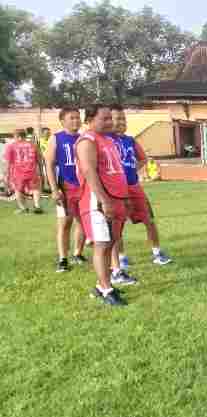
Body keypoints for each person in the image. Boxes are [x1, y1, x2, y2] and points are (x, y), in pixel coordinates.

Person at [75, 104, 129, 306]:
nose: (110, 122)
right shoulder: (87, 141)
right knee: (102, 245)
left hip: (115, 198)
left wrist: (124, 198)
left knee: (110, 243)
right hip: (96, 201)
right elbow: (89, 172)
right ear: (90, 120)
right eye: (104, 119)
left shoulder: (107, 140)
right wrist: (104, 200)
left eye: (110, 118)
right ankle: (106, 290)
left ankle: (101, 285)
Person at [110, 105, 173, 274]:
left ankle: (157, 252)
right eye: (117, 118)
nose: (121, 122)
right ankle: (121, 257)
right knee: (118, 225)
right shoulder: (106, 141)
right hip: (116, 190)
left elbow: (143, 158)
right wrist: (118, 176)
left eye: (123, 118)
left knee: (149, 220)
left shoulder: (130, 140)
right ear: (109, 121)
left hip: (134, 187)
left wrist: (131, 170)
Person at [44, 108, 88, 273]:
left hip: (83, 187)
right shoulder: (57, 138)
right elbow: (49, 164)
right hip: (66, 187)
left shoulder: (84, 138)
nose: (76, 121)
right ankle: (63, 259)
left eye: (78, 118)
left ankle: (78, 253)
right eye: (72, 118)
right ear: (62, 121)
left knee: (83, 221)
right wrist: (54, 189)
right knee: (65, 223)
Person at [4, 129, 43, 214]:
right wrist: (41, 171)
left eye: (14, 136)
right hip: (32, 171)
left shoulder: (11, 146)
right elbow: (39, 160)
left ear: (18, 136)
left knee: (18, 190)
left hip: (18, 173)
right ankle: (37, 205)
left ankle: (23, 208)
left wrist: (6, 174)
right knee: (35, 189)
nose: (14, 138)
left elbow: (8, 162)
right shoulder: (33, 145)